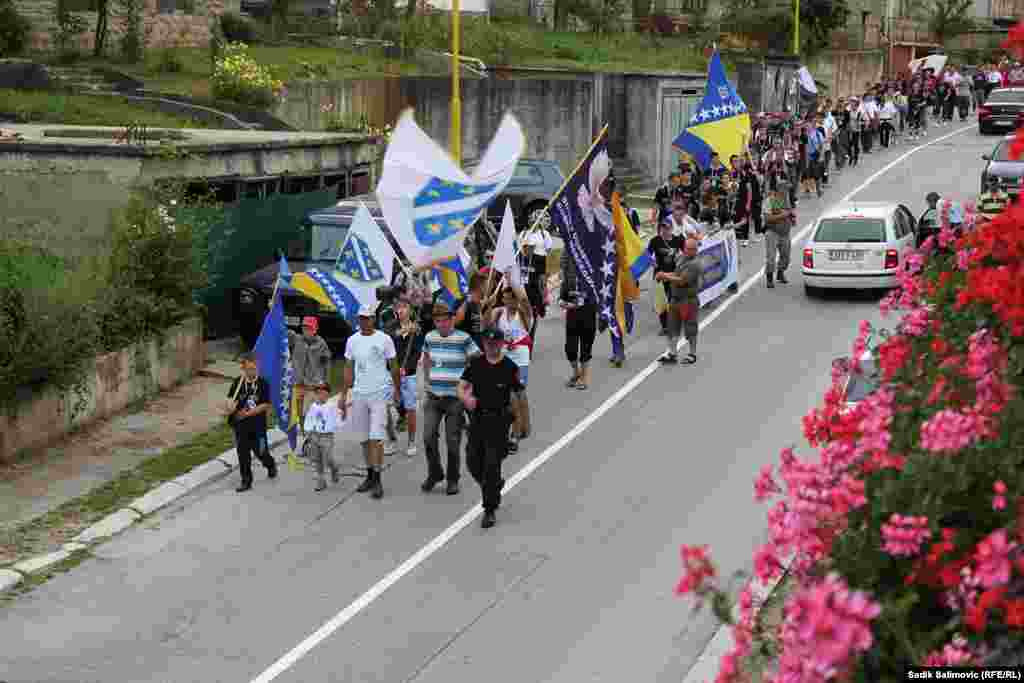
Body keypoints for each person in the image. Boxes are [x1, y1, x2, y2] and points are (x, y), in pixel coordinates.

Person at [458, 327, 522, 529]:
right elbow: (461, 386)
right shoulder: (476, 365)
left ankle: (489, 509)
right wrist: (465, 398)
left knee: (492, 464)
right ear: (483, 344)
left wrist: (519, 429)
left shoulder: (510, 367)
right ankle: (492, 485)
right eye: (488, 343)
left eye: (495, 343)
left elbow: (518, 398)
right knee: (472, 462)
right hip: (478, 420)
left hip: (499, 421)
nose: (491, 346)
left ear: (502, 344)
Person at [340, 303, 399, 500]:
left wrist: (397, 389)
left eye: (368, 317)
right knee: (364, 439)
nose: (364, 321)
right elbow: (348, 370)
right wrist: (342, 396)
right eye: (361, 318)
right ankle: (370, 475)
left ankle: (378, 478)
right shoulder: (352, 341)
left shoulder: (385, 339)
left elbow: (394, 366)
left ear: (374, 319)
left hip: (379, 394)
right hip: (359, 395)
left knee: (376, 437)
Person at [421, 302, 479, 495]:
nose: (441, 324)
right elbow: (427, 358)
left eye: (445, 320)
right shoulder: (430, 337)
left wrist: (469, 386)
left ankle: (453, 479)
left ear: (452, 319)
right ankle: (435, 472)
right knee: (428, 437)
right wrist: (427, 380)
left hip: (455, 398)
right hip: (433, 396)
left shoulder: (464, 339)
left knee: (452, 441)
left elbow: (476, 360)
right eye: (437, 321)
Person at [224, 352, 277, 492]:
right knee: (243, 453)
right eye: (249, 369)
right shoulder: (238, 382)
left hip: (258, 426)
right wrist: (230, 407)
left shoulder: (263, 383)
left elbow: (265, 404)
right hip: (241, 426)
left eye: (254, 368)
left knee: (261, 451)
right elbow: (231, 400)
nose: (252, 371)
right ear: (243, 368)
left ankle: (270, 464)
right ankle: (246, 480)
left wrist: (248, 413)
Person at [489, 284, 533, 451]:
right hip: (505, 356)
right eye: (505, 299)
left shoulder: (523, 312)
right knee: (509, 396)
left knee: (520, 392)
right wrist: (488, 303)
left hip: (520, 357)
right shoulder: (499, 313)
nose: (507, 302)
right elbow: (487, 325)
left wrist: (514, 280)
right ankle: (514, 432)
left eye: (510, 299)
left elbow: (526, 302)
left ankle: (523, 426)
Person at [655, 238, 702, 365]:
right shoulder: (682, 258)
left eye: (692, 249)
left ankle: (692, 354)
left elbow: (681, 280)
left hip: (688, 300)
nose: (689, 251)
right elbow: (675, 273)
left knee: (690, 328)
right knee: (672, 327)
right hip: (675, 299)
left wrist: (664, 276)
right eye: (687, 248)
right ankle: (672, 353)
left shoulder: (695, 264)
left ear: (696, 250)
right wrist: (664, 273)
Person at [560, 242, 598, 389]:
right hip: (572, 310)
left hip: (588, 309)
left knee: (586, 345)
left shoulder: (593, 268)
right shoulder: (569, 276)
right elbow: (562, 292)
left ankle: (584, 376)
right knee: (570, 348)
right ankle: (576, 372)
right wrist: (562, 301)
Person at [392, 298, 424, 457]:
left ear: (410, 310)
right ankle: (391, 438)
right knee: (389, 405)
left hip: (408, 374)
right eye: (399, 307)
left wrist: (408, 368)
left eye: (404, 307)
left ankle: (411, 442)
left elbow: (417, 352)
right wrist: (403, 331)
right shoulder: (391, 327)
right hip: (392, 374)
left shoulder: (417, 329)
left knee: (411, 408)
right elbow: (389, 345)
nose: (401, 310)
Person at [289, 316, 331, 434]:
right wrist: (273, 310)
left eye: (309, 328)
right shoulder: (295, 338)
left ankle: (311, 437)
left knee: (308, 413)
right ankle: (305, 438)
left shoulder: (322, 344)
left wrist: (326, 385)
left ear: (315, 329)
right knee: (299, 414)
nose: (306, 330)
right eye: (304, 327)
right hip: (297, 384)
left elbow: (327, 364)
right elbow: (280, 330)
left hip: (312, 386)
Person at [303, 382, 340, 492]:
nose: (320, 395)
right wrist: (308, 431)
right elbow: (309, 419)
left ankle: (334, 468)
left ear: (328, 393)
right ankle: (321, 480)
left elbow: (337, 420)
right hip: (315, 436)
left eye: (322, 392)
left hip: (326, 436)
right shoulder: (313, 407)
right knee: (317, 458)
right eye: (317, 393)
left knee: (328, 457)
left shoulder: (332, 405)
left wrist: (332, 424)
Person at [764, 178, 796, 288]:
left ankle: (780, 273)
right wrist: (783, 215)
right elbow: (767, 218)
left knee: (786, 257)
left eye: (788, 190)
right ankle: (769, 278)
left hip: (785, 233)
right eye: (786, 189)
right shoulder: (770, 200)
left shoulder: (786, 200)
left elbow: (790, 213)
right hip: (773, 232)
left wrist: (792, 218)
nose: (787, 191)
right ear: (780, 189)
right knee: (771, 258)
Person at [454, 271, 485, 349]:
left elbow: (484, 326)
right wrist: (467, 302)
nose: (490, 286)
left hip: (479, 345)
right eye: (486, 284)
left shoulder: (484, 300)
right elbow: (456, 321)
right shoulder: (462, 300)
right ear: (480, 286)